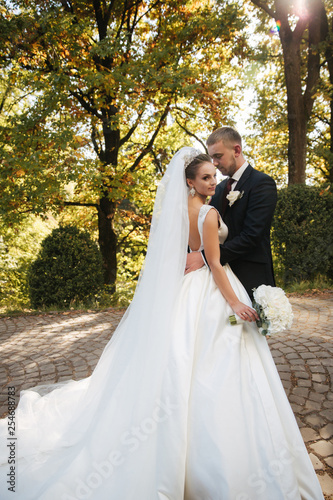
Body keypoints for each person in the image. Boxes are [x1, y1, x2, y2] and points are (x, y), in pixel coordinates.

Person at [0, 148, 323, 499]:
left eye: (214, 176)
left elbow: (178, 254)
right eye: (206, 178)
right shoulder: (210, 213)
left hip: (184, 291)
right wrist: (234, 303)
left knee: (180, 355)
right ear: (190, 181)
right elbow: (214, 265)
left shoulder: (176, 211)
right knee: (218, 360)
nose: (213, 182)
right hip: (212, 291)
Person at [186, 127, 277, 300]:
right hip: (219, 278)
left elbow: (252, 236)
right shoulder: (217, 190)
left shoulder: (262, 184)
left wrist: (204, 258)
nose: (214, 162)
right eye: (212, 157)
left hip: (252, 275)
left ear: (236, 150)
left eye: (218, 156)